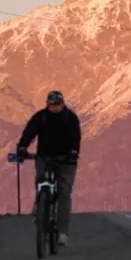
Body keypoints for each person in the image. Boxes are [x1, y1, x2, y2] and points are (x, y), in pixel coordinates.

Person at [16, 90, 81, 247]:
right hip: (45, 157)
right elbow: (29, 132)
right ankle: (40, 203)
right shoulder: (41, 117)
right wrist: (23, 147)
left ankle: (63, 232)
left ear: (63, 104)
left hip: (66, 160)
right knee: (41, 180)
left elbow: (75, 136)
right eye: (51, 105)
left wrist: (73, 152)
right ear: (47, 105)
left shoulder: (70, 118)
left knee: (64, 193)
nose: (54, 108)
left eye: (57, 105)